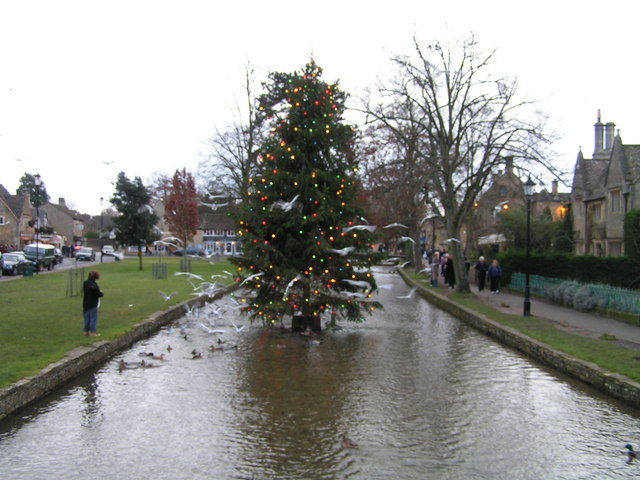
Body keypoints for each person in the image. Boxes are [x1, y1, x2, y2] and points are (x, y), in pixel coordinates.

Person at [83, 271, 104, 337]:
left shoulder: (85, 283)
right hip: (93, 303)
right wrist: (101, 293)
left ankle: (86, 332)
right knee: (93, 318)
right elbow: (99, 294)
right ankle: (93, 333)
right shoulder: (94, 285)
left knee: (86, 318)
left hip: (85, 303)